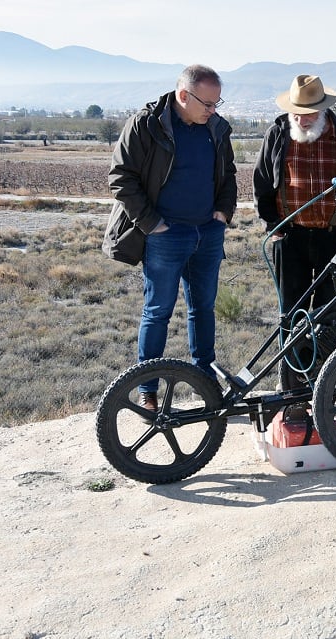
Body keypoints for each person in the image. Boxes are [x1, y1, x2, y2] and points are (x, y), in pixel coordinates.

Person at [105, 64, 238, 413]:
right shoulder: (146, 125)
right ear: (183, 96)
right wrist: (153, 224)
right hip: (165, 236)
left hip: (206, 233)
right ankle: (146, 392)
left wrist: (223, 213)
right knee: (158, 312)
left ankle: (205, 385)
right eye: (207, 104)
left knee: (203, 310)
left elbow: (228, 173)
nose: (213, 110)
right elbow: (121, 177)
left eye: (216, 103)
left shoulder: (215, 128)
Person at [252, 75, 336, 388]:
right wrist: (273, 228)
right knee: (292, 312)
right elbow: (262, 182)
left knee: (331, 313)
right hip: (290, 238)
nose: (302, 118)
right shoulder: (278, 133)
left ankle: (326, 382)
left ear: (323, 110)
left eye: (309, 113)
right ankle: (293, 383)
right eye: (297, 112)